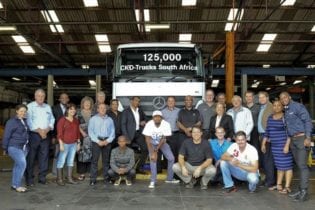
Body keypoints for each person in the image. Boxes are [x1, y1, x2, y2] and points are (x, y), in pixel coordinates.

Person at [280, 91, 313, 202]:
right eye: (281, 98)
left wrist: (308, 137)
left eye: (285, 97)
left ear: (289, 97)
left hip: (301, 139)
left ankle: (304, 191)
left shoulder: (298, 106)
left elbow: (307, 121)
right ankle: (300, 189)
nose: (283, 99)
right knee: (299, 165)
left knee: (303, 166)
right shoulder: (286, 110)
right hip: (293, 140)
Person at [261, 100, 293, 194]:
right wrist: (263, 143)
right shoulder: (270, 117)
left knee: (287, 166)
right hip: (274, 146)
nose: (276, 107)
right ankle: (278, 184)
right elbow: (267, 131)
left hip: (284, 145)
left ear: (282, 107)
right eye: (274, 105)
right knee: (279, 166)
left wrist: (287, 145)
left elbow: (290, 133)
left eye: (279, 105)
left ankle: (287, 187)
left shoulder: (286, 117)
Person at [25, 89, 55, 186]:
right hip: (34, 135)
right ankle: (29, 180)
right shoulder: (30, 107)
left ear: (45, 97)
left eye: (42, 96)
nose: (41, 97)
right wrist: (39, 130)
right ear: (35, 96)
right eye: (39, 95)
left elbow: (52, 119)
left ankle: (42, 178)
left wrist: (47, 129)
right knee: (31, 158)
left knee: (44, 157)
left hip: (46, 135)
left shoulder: (47, 107)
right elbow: (29, 121)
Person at [142, 110, 179, 189]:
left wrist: (156, 150)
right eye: (155, 117)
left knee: (171, 158)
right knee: (153, 160)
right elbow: (147, 139)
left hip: (161, 143)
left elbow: (163, 138)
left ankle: (169, 178)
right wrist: (152, 152)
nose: (157, 118)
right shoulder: (149, 124)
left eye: (159, 117)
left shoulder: (166, 124)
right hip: (151, 143)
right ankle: (153, 180)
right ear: (153, 118)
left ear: (162, 118)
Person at [2, 104, 29, 192]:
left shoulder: (25, 121)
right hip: (14, 146)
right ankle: (18, 186)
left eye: (25, 111)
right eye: (21, 111)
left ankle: (14, 184)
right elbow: (6, 135)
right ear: (17, 111)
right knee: (22, 164)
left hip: (24, 147)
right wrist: (4, 148)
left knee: (17, 166)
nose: (23, 113)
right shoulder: (11, 122)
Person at [88, 103, 115, 186]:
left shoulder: (110, 119)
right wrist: (98, 141)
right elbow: (90, 131)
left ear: (106, 110)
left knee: (106, 161)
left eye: (104, 108)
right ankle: (93, 179)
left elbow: (112, 132)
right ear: (98, 109)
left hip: (107, 141)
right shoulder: (93, 119)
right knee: (94, 161)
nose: (103, 109)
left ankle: (106, 178)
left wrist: (107, 141)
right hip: (96, 141)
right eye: (101, 108)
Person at [121, 96, 148, 174]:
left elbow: (146, 119)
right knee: (128, 152)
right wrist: (126, 137)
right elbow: (123, 125)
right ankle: (128, 170)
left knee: (145, 149)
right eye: (136, 100)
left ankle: (138, 168)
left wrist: (143, 122)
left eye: (138, 101)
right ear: (131, 101)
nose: (137, 102)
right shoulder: (126, 111)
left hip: (138, 133)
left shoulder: (140, 110)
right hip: (129, 134)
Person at [56, 103, 80, 186]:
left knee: (70, 162)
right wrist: (61, 144)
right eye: (71, 109)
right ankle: (59, 179)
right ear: (67, 110)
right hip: (64, 144)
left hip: (73, 144)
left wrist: (78, 143)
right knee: (61, 161)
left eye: (74, 109)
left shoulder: (76, 120)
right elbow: (59, 133)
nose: (73, 110)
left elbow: (77, 133)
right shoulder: (62, 120)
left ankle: (69, 178)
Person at [257, 91, 275, 189]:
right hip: (262, 135)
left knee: (268, 160)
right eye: (259, 98)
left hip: (267, 136)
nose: (261, 99)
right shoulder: (262, 107)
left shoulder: (271, 107)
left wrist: (268, 137)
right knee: (265, 159)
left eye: (263, 97)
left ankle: (270, 181)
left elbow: (272, 124)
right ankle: (268, 179)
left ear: (267, 98)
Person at [51, 93, 69, 177]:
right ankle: (55, 172)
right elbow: (52, 123)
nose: (64, 99)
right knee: (57, 153)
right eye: (62, 98)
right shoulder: (54, 108)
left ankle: (64, 173)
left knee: (67, 154)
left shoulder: (70, 108)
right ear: (59, 99)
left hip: (68, 136)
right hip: (59, 135)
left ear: (68, 99)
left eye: (66, 98)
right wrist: (53, 136)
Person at [76, 96, 94, 181]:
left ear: (91, 104)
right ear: (82, 104)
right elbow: (75, 124)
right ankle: (82, 173)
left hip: (92, 136)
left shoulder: (94, 113)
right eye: (85, 103)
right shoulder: (78, 113)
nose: (87, 104)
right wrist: (82, 132)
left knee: (91, 153)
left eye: (88, 103)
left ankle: (90, 172)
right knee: (81, 154)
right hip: (81, 136)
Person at [161, 96, 180, 162]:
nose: (171, 102)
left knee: (175, 151)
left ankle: (175, 168)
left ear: (175, 102)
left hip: (176, 134)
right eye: (169, 101)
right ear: (166, 102)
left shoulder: (179, 111)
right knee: (167, 151)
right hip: (166, 135)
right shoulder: (162, 112)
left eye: (172, 101)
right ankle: (167, 167)